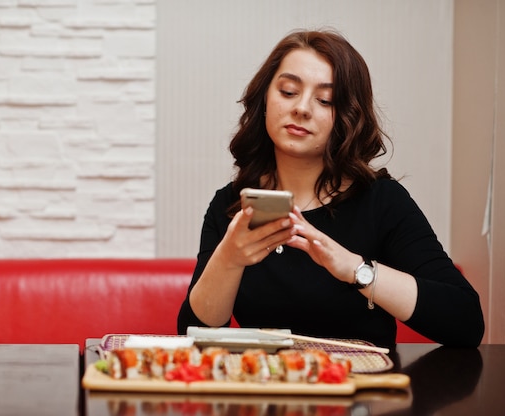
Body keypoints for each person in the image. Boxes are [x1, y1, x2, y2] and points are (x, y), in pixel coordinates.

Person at [176, 29, 484, 349]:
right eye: (289, 91)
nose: (302, 108)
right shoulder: (231, 206)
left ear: (346, 118)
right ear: (265, 100)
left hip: (361, 392)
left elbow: (466, 321)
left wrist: (355, 269)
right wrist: (230, 257)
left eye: (325, 100)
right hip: (270, 389)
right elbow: (194, 335)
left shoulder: (381, 201)